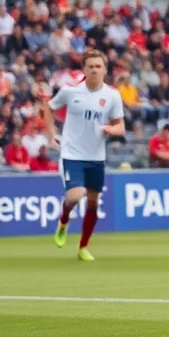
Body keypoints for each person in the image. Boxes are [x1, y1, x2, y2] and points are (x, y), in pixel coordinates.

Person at [42, 50, 125, 261]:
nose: (94, 69)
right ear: (84, 69)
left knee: (93, 203)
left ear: (105, 69)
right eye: (91, 66)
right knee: (75, 195)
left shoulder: (112, 95)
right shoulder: (71, 91)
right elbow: (49, 107)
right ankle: (63, 220)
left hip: (96, 157)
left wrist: (111, 130)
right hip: (72, 155)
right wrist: (51, 135)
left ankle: (83, 247)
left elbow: (120, 126)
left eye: (98, 66)